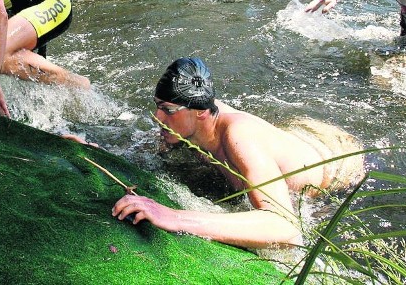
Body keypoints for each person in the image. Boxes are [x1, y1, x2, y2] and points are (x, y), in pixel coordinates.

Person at [112, 57, 364, 249]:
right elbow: (147, 152)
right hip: (297, 136)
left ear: (200, 111)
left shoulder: (239, 138)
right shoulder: (186, 124)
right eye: (157, 106)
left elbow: (286, 228)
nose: (158, 117)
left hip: (336, 162)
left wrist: (173, 216)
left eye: (167, 109)